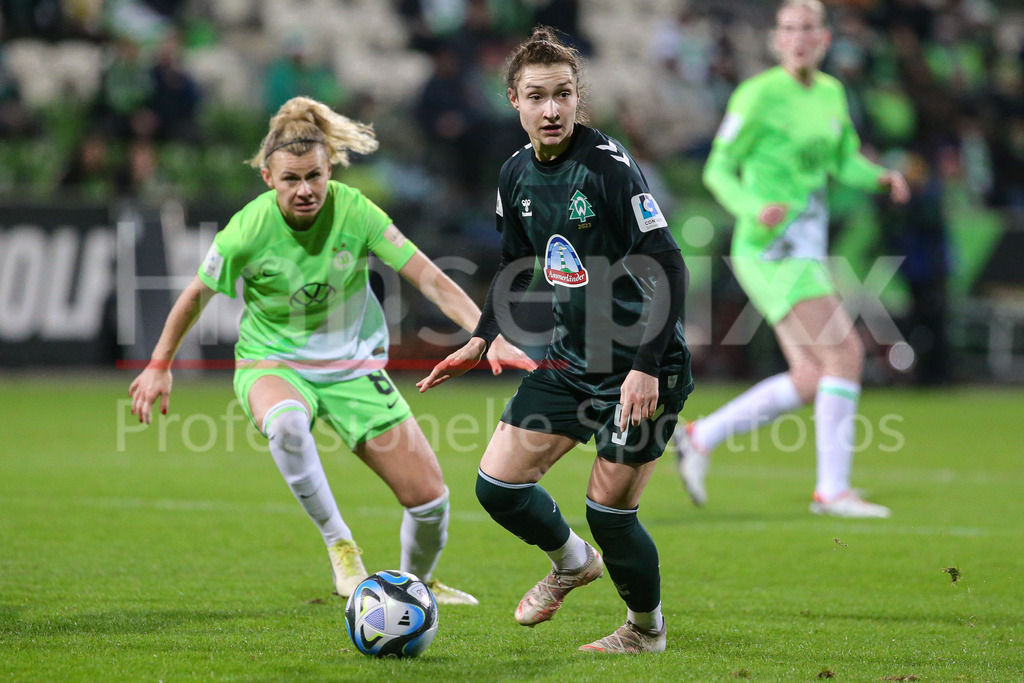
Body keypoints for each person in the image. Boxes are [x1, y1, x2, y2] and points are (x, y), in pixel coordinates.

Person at [129, 96, 534, 604]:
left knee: (430, 501)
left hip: (352, 366)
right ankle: (340, 545)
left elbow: (430, 279)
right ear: (268, 178)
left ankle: (414, 591)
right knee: (287, 425)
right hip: (272, 362)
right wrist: (159, 364)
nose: (305, 190)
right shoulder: (247, 229)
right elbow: (195, 295)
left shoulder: (355, 210)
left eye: (314, 176)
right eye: (290, 179)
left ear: (329, 171)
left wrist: (484, 333)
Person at [417, 28, 693, 653]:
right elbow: (516, 265)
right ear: (514, 100)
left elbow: (670, 267)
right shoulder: (515, 174)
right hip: (573, 359)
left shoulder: (608, 167)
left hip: (645, 362)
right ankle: (572, 562)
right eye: (537, 96)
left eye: (563, 94)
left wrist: (646, 368)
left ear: (577, 98)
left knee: (610, 514)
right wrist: (482, 338)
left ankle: (645, 631)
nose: (552, 109)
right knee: (497, 487)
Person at [675, 0, 911, 518]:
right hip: (770, 248)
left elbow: (843, 159)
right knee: (844, 353)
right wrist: (752, 207)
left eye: (808, 28)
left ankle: (700, 436)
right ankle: (832, 492)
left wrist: (880, 177)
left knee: (810, 375)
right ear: (776, 40)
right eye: (788, 29)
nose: (798, 38)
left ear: (824, 39)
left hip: (805, 247)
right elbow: (717, 169)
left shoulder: (831, 93)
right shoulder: (757, 95)